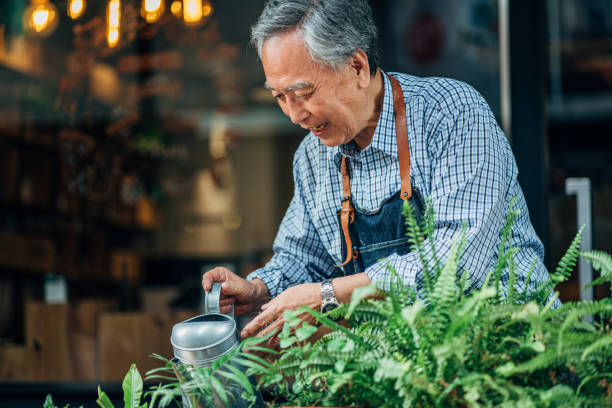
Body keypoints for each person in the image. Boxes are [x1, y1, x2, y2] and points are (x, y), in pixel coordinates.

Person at [202, 0, 555, 339]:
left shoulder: (451, 114)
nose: (295, 115)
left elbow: (457, 266)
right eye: (280, 97)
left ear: (356, 67)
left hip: (516, 350)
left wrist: (328, 294)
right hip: (404, 373)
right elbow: (303, 259)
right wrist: (258, 289)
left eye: (303, 92)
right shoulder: (312, 157)